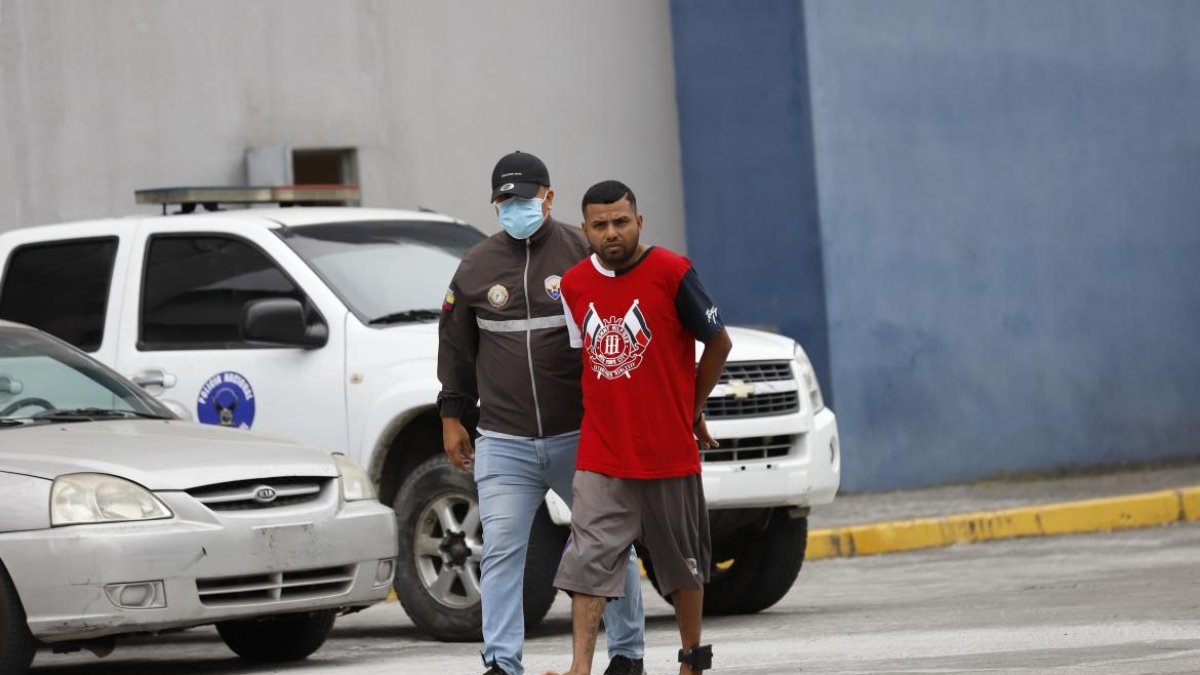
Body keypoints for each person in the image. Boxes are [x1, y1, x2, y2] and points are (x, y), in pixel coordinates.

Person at [438, 153, 647, 675]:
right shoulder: (475, 267)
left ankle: (627, 655)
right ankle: (501, 663)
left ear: (548, 197)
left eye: (524, 199)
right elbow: (456, 348)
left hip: (581, 436)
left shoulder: (584, 250)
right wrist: (452, 415)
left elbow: (624, 328)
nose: (515, 208)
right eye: (505, 200)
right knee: (503, 552)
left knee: (610, 546)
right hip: (504, 440)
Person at [546, 180, 732, 675]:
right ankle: (580, 667)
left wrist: (690, 410)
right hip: (603, 454)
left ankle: (692, 658)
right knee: (588, 564)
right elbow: (583, 356)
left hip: (667, 452)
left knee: (682, 567)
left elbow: (719, 343)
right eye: (600, 224)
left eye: (621, 222)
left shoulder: (673, 273)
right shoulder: (573, 285)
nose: (612, 232)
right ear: (584, 229)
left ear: (639, 222)